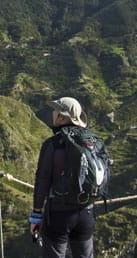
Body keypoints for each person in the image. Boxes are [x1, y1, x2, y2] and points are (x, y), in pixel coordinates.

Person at [29, 97, 95, 258]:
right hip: (87, 211)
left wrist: (36, 215)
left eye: (56, 110)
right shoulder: (91, 141)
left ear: (62, 117)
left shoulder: (53, 144)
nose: (53, 113)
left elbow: (42, 180)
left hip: (60, 212)